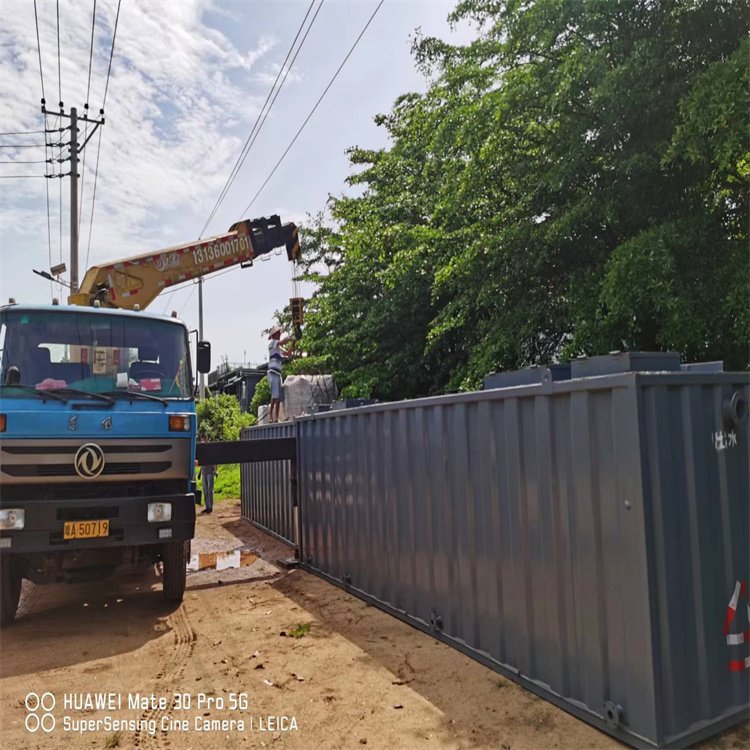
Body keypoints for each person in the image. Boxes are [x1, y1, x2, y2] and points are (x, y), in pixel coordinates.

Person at [267, 325, 292, 423]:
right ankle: (270, 415)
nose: (279, 335)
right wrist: (290, 338)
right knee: (275, 395)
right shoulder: (272, 343)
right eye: (277, 333)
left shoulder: (279, 348)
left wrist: (293, 343)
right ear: (274, 335)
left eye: (279, 333)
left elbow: (288, 353)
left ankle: (276, 417)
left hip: (278, 373)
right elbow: (283, 341)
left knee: (278, 398)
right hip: (272, 372)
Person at [198, 436, 217, 514]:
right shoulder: (202, 451)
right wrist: (199, 473)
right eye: (202, 440)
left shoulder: (211, 450)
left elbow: (216, 461)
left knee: (210, 490)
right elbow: (202, 463)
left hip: (210, 472)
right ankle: (207, 506)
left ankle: (210, 507)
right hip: (204, 472)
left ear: (207, 439)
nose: (203, 441)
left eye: (204, 439)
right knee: (205, 490)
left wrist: (216, 471)